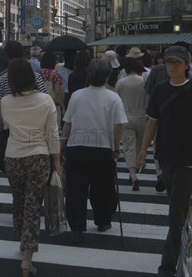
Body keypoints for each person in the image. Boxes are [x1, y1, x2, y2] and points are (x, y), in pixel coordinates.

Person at [1, 59, 61, 277]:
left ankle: (23, 238)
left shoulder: (6, 102)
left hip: (14, 156)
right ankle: (27, 259)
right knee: (33, 205)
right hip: (39, 156)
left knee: (19, 202)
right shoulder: (45, 100)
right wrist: (57, 161)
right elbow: (52, 133)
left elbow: (6, 127)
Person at [138, 45, 192, 277]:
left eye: (177, 62)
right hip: (165, 158)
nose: (172, 66)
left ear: (187, 65)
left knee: (175, 216)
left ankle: (167, 267)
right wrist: (143, 149)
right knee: (178, 208)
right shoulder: (160, 89)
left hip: (188, 160)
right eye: (169, 62)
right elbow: (152, 122)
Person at [61, 59, 128, 245]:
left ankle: (77, 226)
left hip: (77, 146)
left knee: (76, 190)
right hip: (103, 148)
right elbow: (118, 127)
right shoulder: (113, 98)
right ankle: (103, 220)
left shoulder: (77, 95)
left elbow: (68, 123)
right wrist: (116, 147)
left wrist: (61, 146)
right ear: (107, 76)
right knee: (103, 187)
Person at [0, 41, 47, 172]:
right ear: (23, 54)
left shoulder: (2, 79)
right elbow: (45, 101)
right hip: (34, 128)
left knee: (13, 172)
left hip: (10, 128)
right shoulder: (36, 77)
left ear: (7, 56)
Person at [115, 58, 147, 191]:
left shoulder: (121, 82)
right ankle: (139, 165)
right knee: (139, 147)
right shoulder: (144, 81)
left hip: (127, 118)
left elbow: (116, 100)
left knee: (129, 147)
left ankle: (133, 175)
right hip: (142, 117)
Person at [40, 51, 65, 127]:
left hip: (40, 105)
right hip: (53, 105)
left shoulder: (38, 74)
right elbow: (58, 92)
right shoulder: (55, 75)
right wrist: (63, 107)